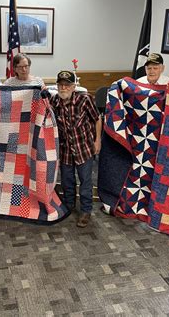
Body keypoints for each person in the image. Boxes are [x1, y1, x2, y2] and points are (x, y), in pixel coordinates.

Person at [50, 70, 102, 228]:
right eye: (60, 85)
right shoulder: (54, 102)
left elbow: (97, 119)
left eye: (67, 85)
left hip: (84, 148)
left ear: (74, 86)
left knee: (85, 181)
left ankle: (86, 211)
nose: (63, 88)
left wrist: (97, 140)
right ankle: (69, 206)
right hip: (65, 149)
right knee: (67, 180)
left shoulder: (84, 100)